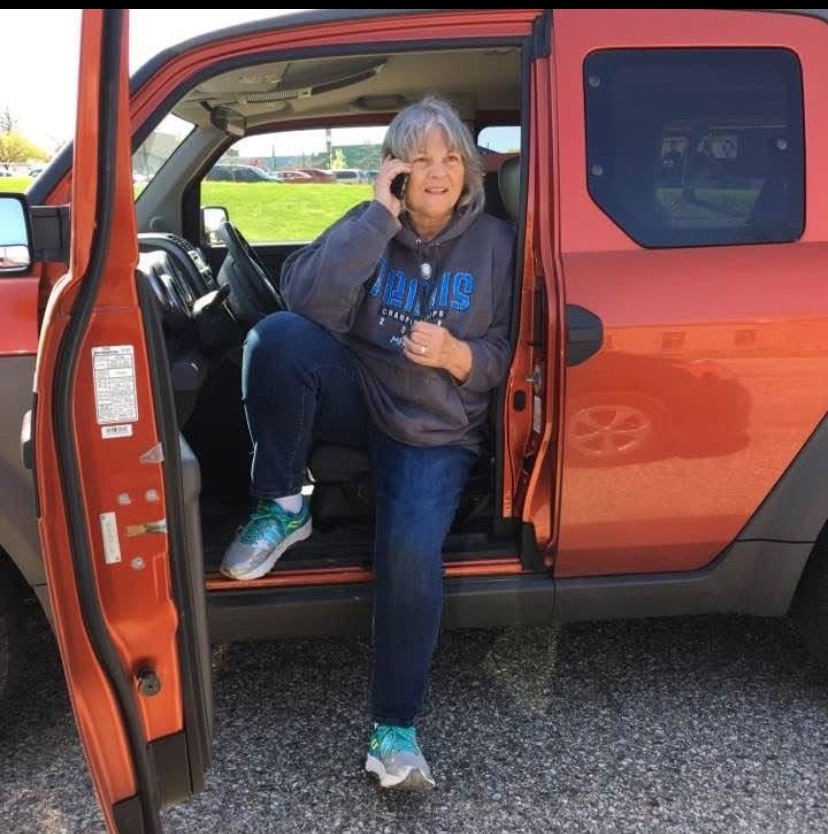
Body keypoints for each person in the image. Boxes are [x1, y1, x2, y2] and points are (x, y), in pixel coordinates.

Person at [220, 94, 516, 790]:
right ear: (395, 169)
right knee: (278, 339)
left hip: (434, 430)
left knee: (410, 550)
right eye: (419, 158)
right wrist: (378, 218)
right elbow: (308, 306)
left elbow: (506, 353)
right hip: (361, 396)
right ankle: (284, 506)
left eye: (449, 157)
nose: (436, 172)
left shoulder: (498, 244)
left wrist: (454, 355)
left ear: (468, 169)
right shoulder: (370, 222)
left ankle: (395, 732)